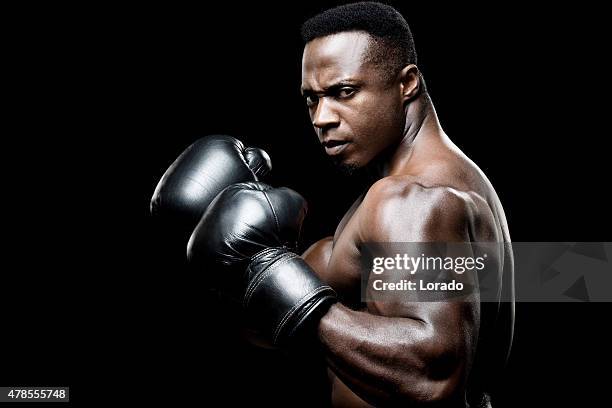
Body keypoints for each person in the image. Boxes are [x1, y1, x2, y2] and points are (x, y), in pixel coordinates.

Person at [153, 3, 514, 407]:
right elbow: (269, 322)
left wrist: (290, 291)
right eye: (312, 99)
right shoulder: (444, 182)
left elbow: (431, 377)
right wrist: (238, 263)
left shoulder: (411, 198)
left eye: (344, 92)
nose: (322, 117)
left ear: (407, 83)